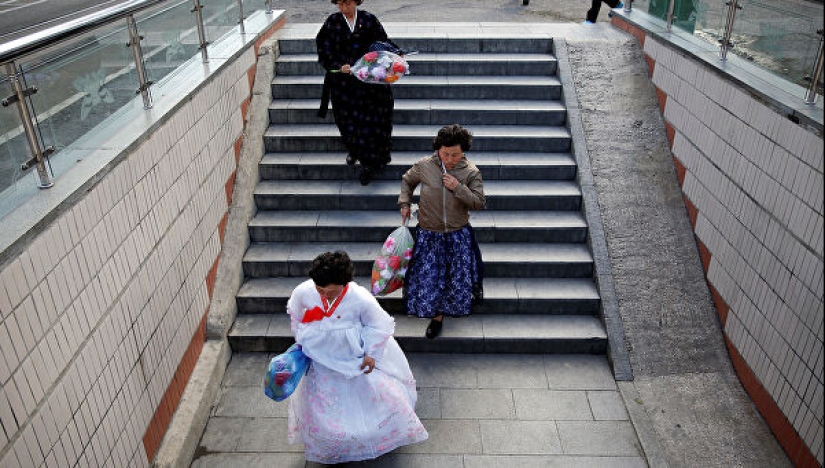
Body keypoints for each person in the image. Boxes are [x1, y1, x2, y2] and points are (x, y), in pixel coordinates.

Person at [286, 251, 428, 464]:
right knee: (323, 400)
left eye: (331, 292)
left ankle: (371, 435)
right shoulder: (302, 292)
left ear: (345, 284)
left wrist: (371, 354)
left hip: (354, 355)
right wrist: (302, 340)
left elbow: (379, 323)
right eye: (320, 290)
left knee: (367, 396)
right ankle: (331, 440)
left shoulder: (359, 296)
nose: (324, 295)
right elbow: (296, 317)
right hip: (320, 357)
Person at [398, 124, 485, 339]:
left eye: (455, 154)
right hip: (429, 234)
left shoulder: (471, 172)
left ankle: (448, 310)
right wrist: (405, 204)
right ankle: (436, 316)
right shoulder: (425, 165)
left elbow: (479, 202)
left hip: (457, 236)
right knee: (430, 278)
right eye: (445, 153)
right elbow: (407, 181)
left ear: (463, 151)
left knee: (453, 278)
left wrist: (458, 187)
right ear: (438, 149)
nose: (449, 158)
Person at [316, 0, 398, 186]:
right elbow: (323, 48)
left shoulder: (369, 20)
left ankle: (370, 164)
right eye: (340, 4)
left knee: (375, 121)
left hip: (370, 83)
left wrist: (395, 53)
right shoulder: (332, 22)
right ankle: (355, 151)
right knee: (348, 122)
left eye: (348, 3)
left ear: (356, 2)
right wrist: (338, 65)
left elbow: (381, 44)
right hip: (344, 85)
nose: (344, 8)